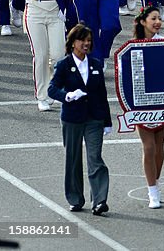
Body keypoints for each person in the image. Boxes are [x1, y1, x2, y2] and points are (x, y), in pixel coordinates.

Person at [48, 24, 111, 215]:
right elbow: (52, 89)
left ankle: (99, 201)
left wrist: (107, 121)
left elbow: (102, 94)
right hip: (72, 118)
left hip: (94, 119)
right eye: (83, 40)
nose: (86, 44)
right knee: (73, 159)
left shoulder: (96, 65)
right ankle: (75, 199)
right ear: (73, 42)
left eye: (89, 40)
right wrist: (67, 95)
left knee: (95, 158)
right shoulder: (63, 65)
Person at [131, 7, 164, 209]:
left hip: (161, 100)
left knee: (160, 148)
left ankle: (156, 182)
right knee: (149, 147)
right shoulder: (132, 46)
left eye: (159, 18)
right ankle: (152, 190)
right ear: (143, 21)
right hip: (141, 102)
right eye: (153, 18)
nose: (157, 22)